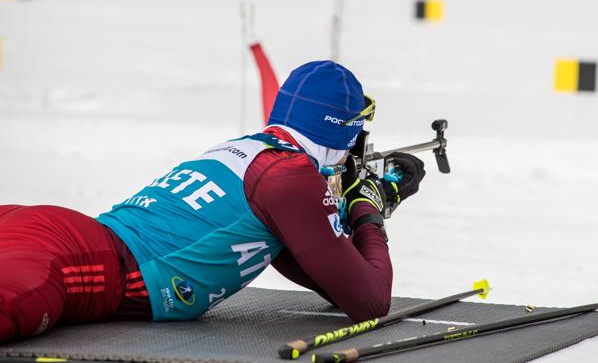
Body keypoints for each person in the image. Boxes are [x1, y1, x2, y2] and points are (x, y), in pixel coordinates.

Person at [0, 60, 426, 343]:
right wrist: (368, 207)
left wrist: (351, 214)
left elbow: (335, 279)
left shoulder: (248, 151)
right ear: (344, 132)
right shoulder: (290, 178)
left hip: (64, 235)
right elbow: (370, 302)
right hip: (81, 260)